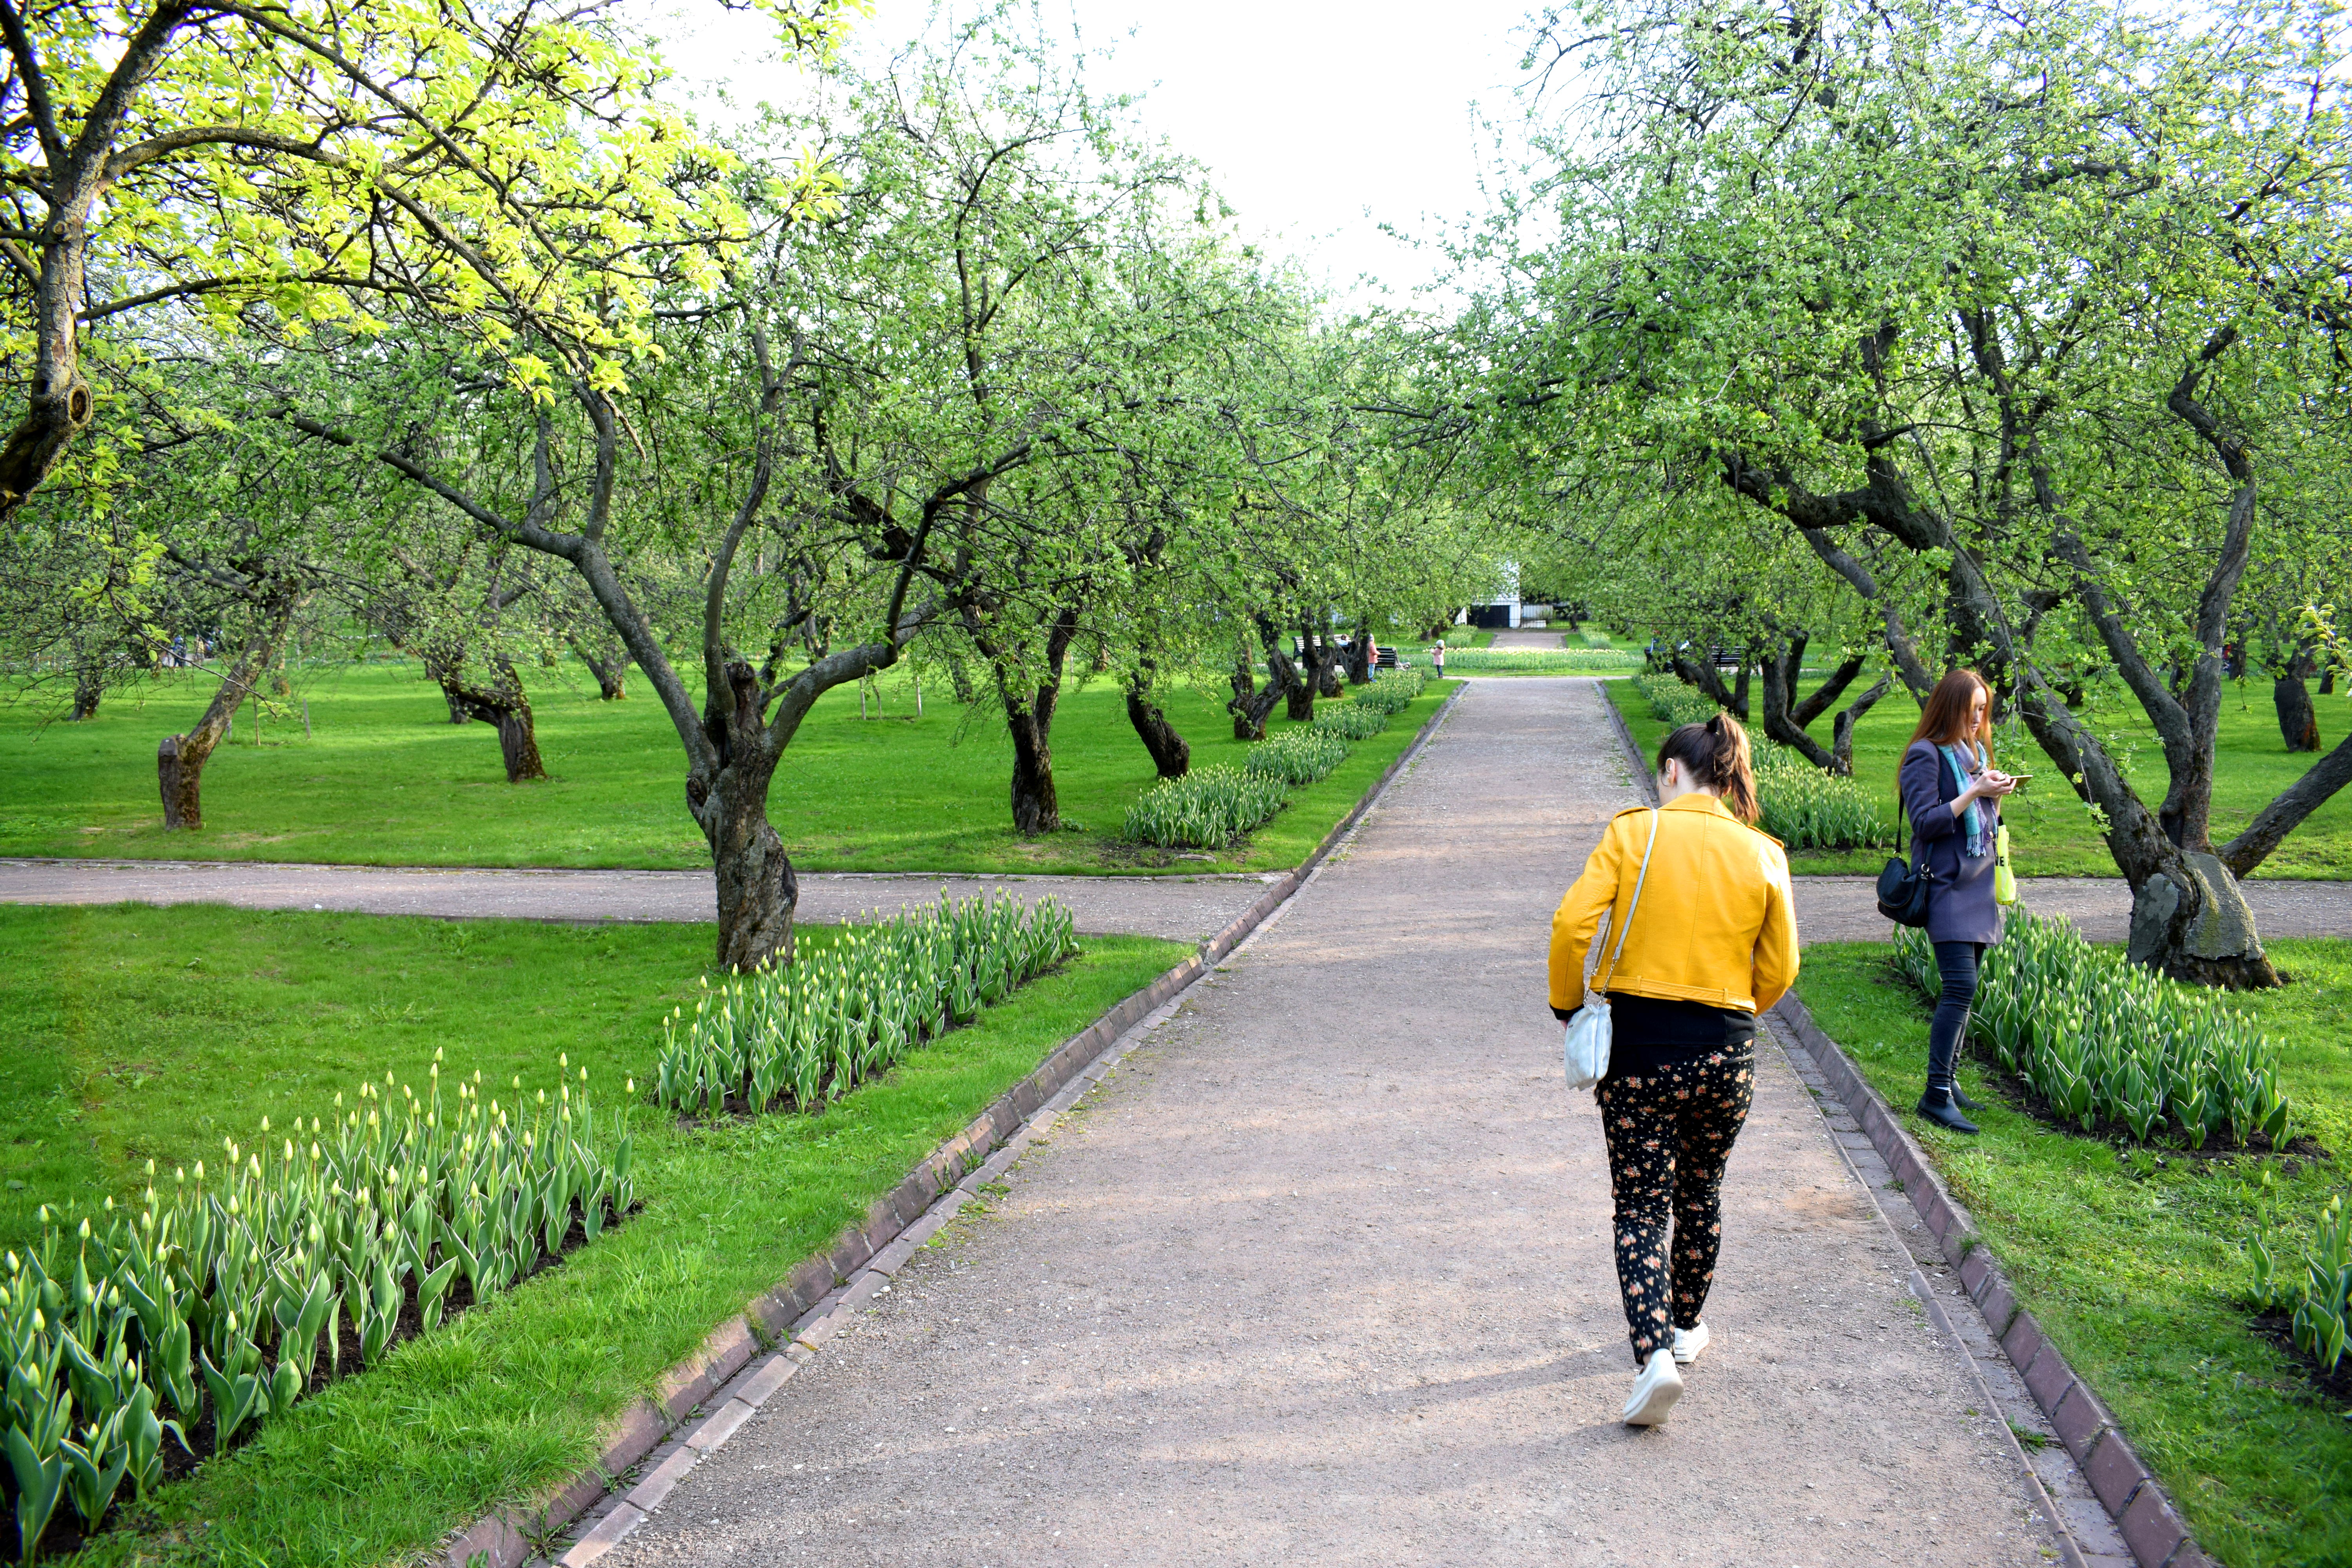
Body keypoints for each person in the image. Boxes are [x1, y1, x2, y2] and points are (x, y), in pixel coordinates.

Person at [1548, 714, 1799, 1426]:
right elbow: (1782, 969)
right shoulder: (1763, 853)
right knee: (1701, 1190)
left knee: (1640, 1203)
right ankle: (1686, 1329)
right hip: (1727, 1045)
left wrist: (1569, 1005)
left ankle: (1654, 1354)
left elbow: (1572, 926)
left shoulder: (1635, 833)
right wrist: (1739, 1014)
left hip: (1641, 1049)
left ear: (1670, 773)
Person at [1898, 668, 2018, 1136]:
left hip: (1979, 883)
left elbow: (1984, 820)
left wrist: (1995, 795)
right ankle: (1935, 1095)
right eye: (1972, 711)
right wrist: (1974, 792)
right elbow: (1926, 822)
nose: (1979, 718)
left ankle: (1950, 1081)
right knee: (1961, 987)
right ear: (1951, 709)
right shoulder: (1924, 755)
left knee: (1968, 987)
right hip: (1945, 885)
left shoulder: (1974, 753)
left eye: (1984, 710)